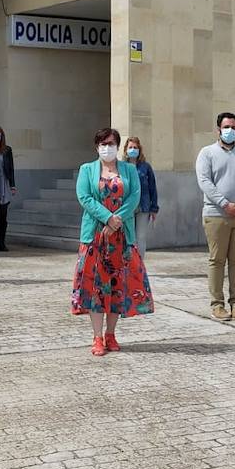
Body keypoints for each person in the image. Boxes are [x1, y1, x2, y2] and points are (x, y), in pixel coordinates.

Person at [73, 128, 154, 355]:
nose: (106, 147)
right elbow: (84, 197)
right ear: (96, 146)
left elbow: (134, 195)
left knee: (117, 287)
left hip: (121, 236)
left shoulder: (129, 169)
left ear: (118, 146)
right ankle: (97, 337)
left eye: (110, 143)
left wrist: (117, 220)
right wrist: (107, 218)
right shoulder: (87, 170)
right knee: (96, 288)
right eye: (102, 144)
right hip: (95, 237)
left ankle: (111, 333)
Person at [195, 111, 235, 321]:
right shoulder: (207, 153)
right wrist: (224, 204)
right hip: (216, 215)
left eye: (233, 127)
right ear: (218, 129)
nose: (229, 130)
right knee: (217, 260)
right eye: (226, 127)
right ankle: (217, 305)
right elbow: (205, 182)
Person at [124, 136, 159, 253]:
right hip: (127, 208)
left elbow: (152, 187)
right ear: (125, 149)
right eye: (130, 147)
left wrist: (154, 208)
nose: (133, 150)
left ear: (139, 150)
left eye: (135, 147)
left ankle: (139, 267)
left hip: (143, 207)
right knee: (128, 238)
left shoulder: (145, 167)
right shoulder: (122, 167)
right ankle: (128, 267)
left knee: (141, 238)